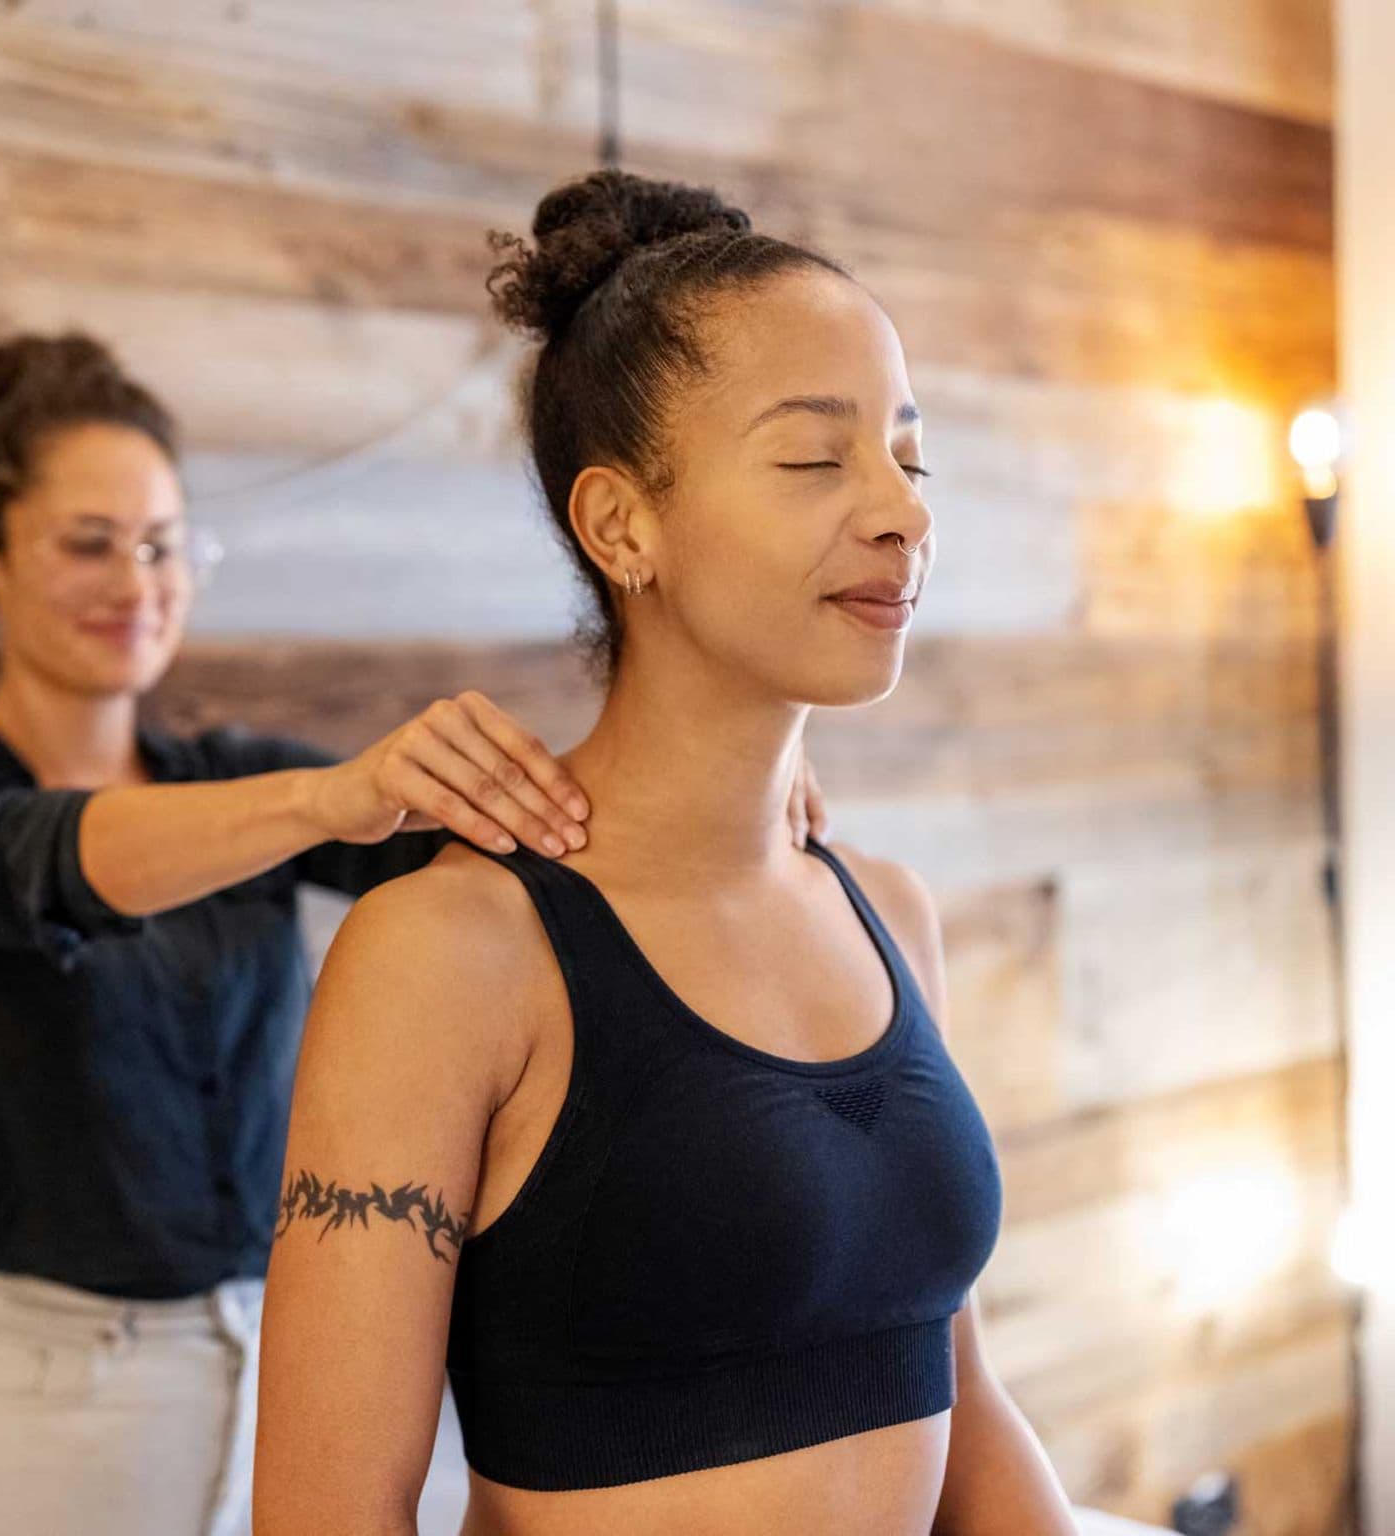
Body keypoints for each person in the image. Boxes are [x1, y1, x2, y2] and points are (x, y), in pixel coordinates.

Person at [0, 331, 829, 1536]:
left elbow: (524, 844)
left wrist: (735, 766)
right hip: (29, 1395)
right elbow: (28, 861)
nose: (135, 583)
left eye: (161, 544)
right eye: (88, 543)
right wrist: (324, 799)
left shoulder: (235, 776)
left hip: (275, 1368)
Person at [253, 171, 1080, 1535]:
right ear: (620, 524)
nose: (903, 511)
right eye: (818, 458)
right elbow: (328, 1517)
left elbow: (963, 1402)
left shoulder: (887, 911)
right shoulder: (448, 957)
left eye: (908, 455)